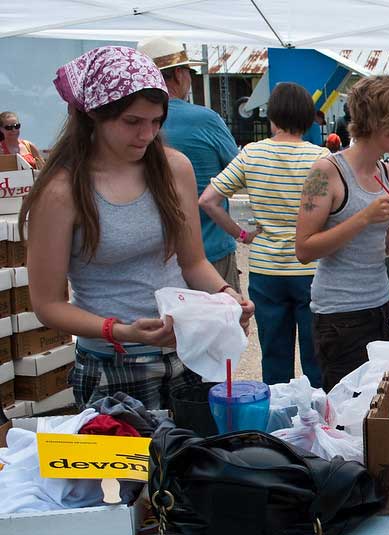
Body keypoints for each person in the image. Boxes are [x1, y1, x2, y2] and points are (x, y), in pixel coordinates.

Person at [22, 46, 254, 409]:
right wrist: (119, 330)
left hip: (187, 353)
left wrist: (226, 293)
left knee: (196, 461)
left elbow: (193, 263)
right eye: (132, 122)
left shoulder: (174, 168)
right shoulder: (61, 191)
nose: (146, 134)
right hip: (112, 366)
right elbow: (48, 304)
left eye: (156, 121)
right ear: (93, 117)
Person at [295, 75, 389, 392]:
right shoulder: (325, 172)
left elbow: (370, 246)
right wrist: (365, 218)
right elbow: (304, 249)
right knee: (347, 412)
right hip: (340, 316)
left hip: (382, 305)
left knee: (379, 405)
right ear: (382, 124)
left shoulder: (386, 172)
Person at [200, 82, 329, 388]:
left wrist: (242, 233)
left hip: (265, 269)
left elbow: (207, 201)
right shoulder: (321, 158)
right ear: (308, 119)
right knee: (316, 357)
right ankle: (319, 423)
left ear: (272, 117)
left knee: (273, 356)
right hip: (310, 269)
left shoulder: (252, 154)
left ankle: (278, 423)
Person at [138, 37, 242, 292]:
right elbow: (240, 170)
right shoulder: (205, 119)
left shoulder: (130, 124)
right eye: (189, 72)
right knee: (220, 325)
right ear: (178, 74)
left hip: (155, 257)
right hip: (211, 250)